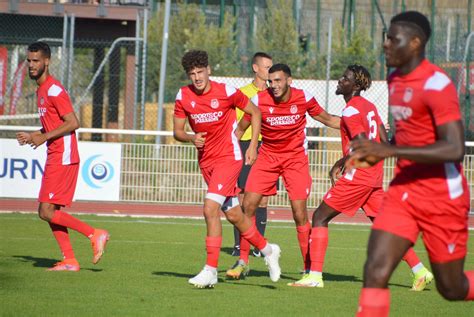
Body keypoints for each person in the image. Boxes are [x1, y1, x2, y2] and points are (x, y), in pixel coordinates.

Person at [346, 12, 474, 316]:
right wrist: (378, 151)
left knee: (451, 287)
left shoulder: (436, 85)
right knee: (375, 270)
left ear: (415, 43)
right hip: (403, 192)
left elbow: (455, 148)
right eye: (386, 37)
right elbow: (408, 137)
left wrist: (389, 152)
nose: (385, 44)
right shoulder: (394, 78)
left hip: (443, 197)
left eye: (393, 38)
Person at [288, 64, 433, 289]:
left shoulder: (351, 110)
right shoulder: (370, 107)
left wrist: (342, 162)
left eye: (345, 78)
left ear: (355, 85)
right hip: (373, 177)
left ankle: (314, 276)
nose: (339, 80)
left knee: (319, 217)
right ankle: (420, 271)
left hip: (359, 176)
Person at [173, 50, 281, 288]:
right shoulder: (183, 96)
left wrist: (252, 146)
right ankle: (268, 250)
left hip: (228, 157)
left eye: (200, 72)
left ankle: (210, 269)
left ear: (209, 70)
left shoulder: (227, 92)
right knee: (234, 214)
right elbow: (177, 132)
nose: (197, 78)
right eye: (192, 74)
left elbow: (255, 112)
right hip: (206, 162)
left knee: (209, 208)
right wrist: (191, 138)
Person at [228, 63, 340, 280]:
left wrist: (357, 125)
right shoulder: (260, 100)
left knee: (299, 213)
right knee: (247, 205)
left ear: (289, 80)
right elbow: (240, 129)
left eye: (278, 81)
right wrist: (230, 153)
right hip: (267, 157)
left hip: (295, 160)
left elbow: (328, 119)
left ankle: (309, 268)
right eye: (271, 81)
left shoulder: (303, 97)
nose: (274, 85)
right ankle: (243, 261)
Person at [16, 42, 109, 271]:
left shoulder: (54, 89)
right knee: (50, 213)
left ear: (47, 61)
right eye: (29, 60)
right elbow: (54, 124)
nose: (31, 65)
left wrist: (43, 136)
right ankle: (69, 260)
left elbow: (73, 122)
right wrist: (35, 135)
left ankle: (93, 233)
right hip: (55, 154)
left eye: (36, 61)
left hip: (63, 156)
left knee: (45, 211)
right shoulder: (41, 90)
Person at [230, 52, 273, 261]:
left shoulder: (275, 93)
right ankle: (239, 244)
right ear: (256, 68)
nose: (270, 71)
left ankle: (258, 245)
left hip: (267, 148)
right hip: (246, 146)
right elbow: (237, 125)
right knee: (243, 198)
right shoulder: (243, 93)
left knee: (263, 200)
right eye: (266, 67)